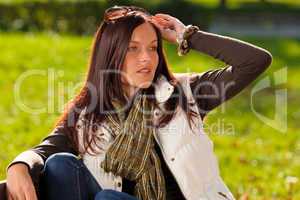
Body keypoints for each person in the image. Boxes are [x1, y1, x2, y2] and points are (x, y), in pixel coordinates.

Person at [5, 4, 272, 200]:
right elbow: (44, 151)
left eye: (153, 47)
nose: (147, 58)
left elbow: (255, 61)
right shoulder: (87, 112)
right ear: (111, 54)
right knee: (60, 165)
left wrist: (187, 36)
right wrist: (19, 164)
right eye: (133, 48)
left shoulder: (187, 93)